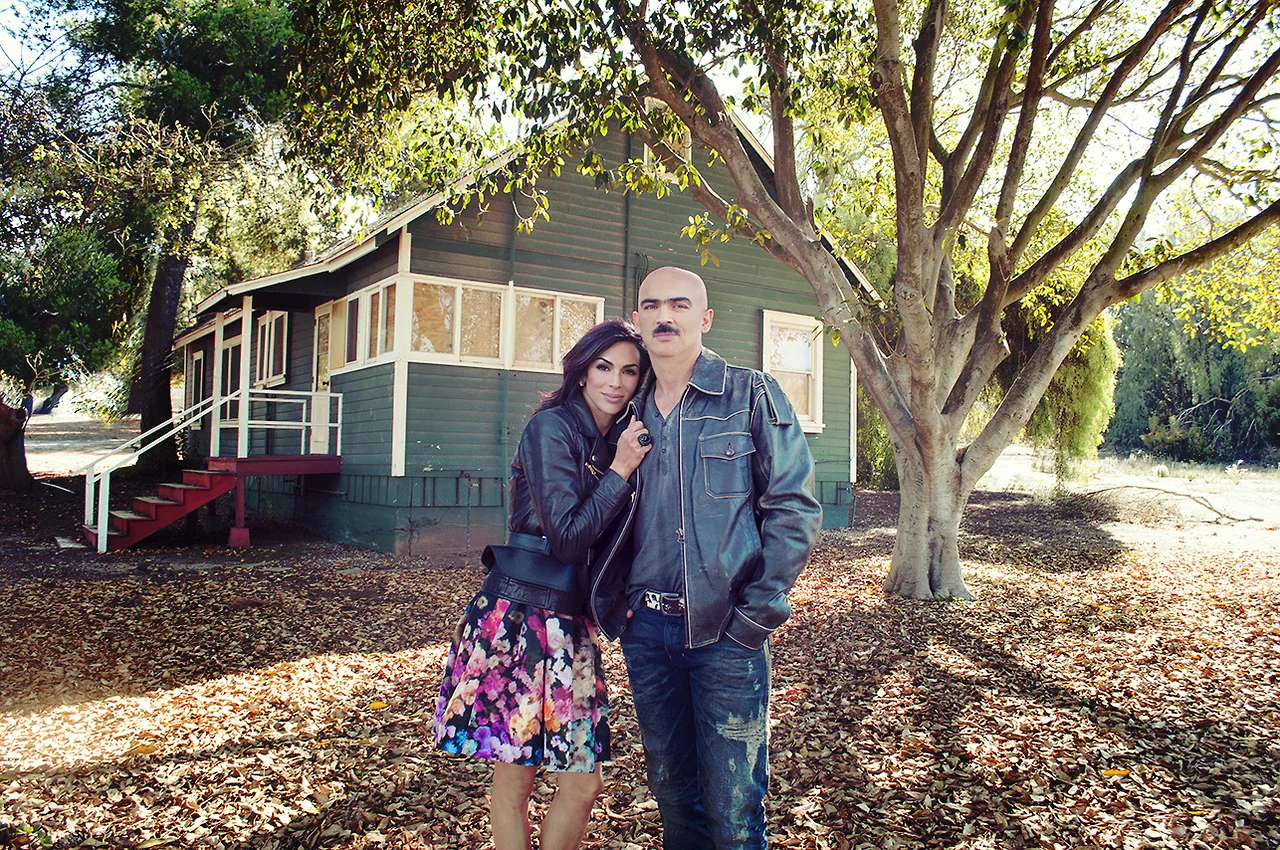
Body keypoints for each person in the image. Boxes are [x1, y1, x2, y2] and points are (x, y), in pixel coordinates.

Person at [588, 267, 823, 849]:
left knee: (734, 809)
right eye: (651, 306)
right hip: (647, 633)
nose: (665, 315)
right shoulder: (622, 413)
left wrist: (755, 615)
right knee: (673, 798)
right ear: (637, 320)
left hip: (726, 632)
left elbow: (794, 507)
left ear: (706, 318)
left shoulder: (750, 395)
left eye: (680, 304)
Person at [434, 320, 652, 850]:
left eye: (629, 372)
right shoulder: (551, 428)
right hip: (521, 619)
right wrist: (621, 470)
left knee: (583, 784)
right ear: (581, 372)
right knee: (517, 779)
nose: (615, 382)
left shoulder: (614, 438)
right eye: (603, 367)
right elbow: (569, 538)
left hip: (570, 623)